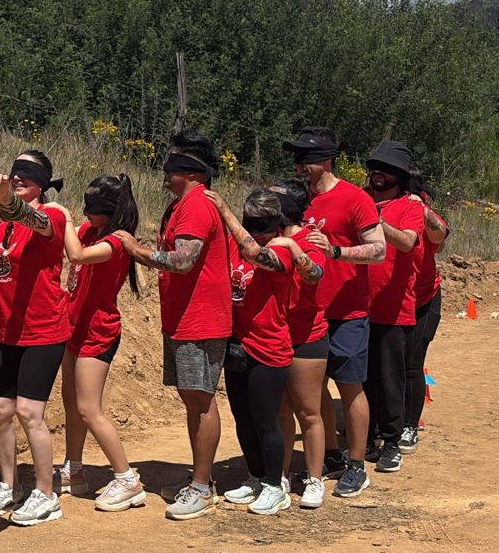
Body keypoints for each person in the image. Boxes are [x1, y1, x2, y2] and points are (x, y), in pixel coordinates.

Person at [115, 131, 232, 520]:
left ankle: (201, 487)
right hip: (184, 317)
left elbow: (183, 260)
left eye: (172, 164)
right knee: (192, 399)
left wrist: (136, 249)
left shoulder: (196, 205)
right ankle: (199, 479)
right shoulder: (181, 205)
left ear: (192, 171)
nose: (164, 171)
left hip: (201, 319)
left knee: (200, 400)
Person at [208, 187, 322, 515]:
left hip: (269, 346)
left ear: (276, 225)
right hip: (238, 344)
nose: (256, 232)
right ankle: (257, 477)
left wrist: (225, 211)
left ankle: (275, 486)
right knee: (243, 419)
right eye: (251, 224)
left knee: (265, 420)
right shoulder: (235, 243)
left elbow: (256, 255)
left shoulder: (281, 249)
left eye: (262, 226)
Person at [0, 151, 72, 527]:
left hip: (43, 331)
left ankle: (46, 495)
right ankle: (9, 485)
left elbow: (33, 219)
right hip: (6, 332)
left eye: (26, 174)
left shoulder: (53, 215)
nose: (17, 178)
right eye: (14, 172)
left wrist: (4, 197)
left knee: (30, 413)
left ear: (43, 183)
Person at [288, 128, 386, 498]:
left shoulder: (355, 198)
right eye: (297, 160)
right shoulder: (298, 200)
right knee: (312, 392)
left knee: (349, 387)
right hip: (307, 312)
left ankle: (357, 464)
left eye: (306, 160)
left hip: (347, 312)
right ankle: (329, 455)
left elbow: (378, 249)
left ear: (327, 161)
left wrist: (336, 252)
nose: (299, 167)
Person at [58, 174, 147, 512]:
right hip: (74, 328)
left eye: (92, 209)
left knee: (88, 409)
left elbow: (77, 255)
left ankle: (127, 479)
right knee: (71, 403)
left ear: (110, 212)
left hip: (98, 332)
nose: (85, 214)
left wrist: (64, 218)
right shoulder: (89, 230)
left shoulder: (115, 243)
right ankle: (74, 470)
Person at [267, 178, 331, 509]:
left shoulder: (311, 239)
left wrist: (293, 248)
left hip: (307, 336)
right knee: (281, 412)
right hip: (276, 336)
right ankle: (280, 475)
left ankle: (315, 479)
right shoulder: (268, 238)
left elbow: (314, 274)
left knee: (308, 412)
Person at [362, 140, 424, 475]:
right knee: (361, 379)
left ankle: (392, 442)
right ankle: (365, 438)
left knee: (389, 380)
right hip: (357, 307)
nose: (377, 174)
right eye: (375, 167)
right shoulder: (360, 199)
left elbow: (408, 241)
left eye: (386, 170)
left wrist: (377, 221)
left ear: (399, 177)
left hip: (393, 309)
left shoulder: (408, 206)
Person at [400, 170, 449, 454]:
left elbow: (439, 237)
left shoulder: (425, 215)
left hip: (424, 298)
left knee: (412, 363)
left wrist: (420, 207)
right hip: (394, 299)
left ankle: (409, 425)